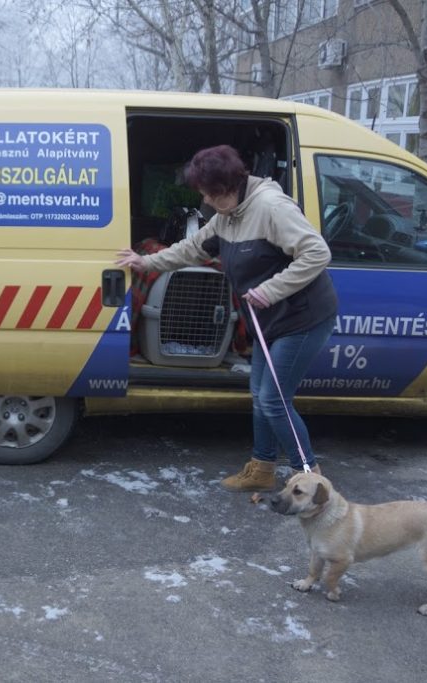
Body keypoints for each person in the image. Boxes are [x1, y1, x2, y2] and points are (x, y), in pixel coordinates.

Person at [116, 144, 337, 492]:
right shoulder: (227, 214)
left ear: (228, 186)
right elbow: (193, 248)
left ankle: (312, 480)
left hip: (302, 318)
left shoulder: (271, 207)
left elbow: (317, 252)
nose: (205, 199)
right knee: (259, 394)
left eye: (209, 192)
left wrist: (271, 289)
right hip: (269, 321)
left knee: (274, 400)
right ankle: (262, 469)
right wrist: (146, 262)